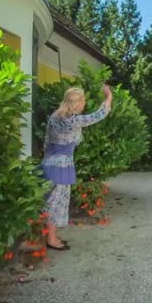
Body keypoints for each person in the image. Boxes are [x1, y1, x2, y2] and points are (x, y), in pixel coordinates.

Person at [41, 85, 113, 250]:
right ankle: (51, 240)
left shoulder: (54, 117)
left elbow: (46, 141)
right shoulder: (73, 120)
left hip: (48, 163)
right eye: (83, 101)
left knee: (50, 202)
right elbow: (99, 115)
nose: (84, 104)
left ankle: (49, 236)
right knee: (56, 203)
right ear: (77, 102)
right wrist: (108, 98)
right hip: (61, 167)